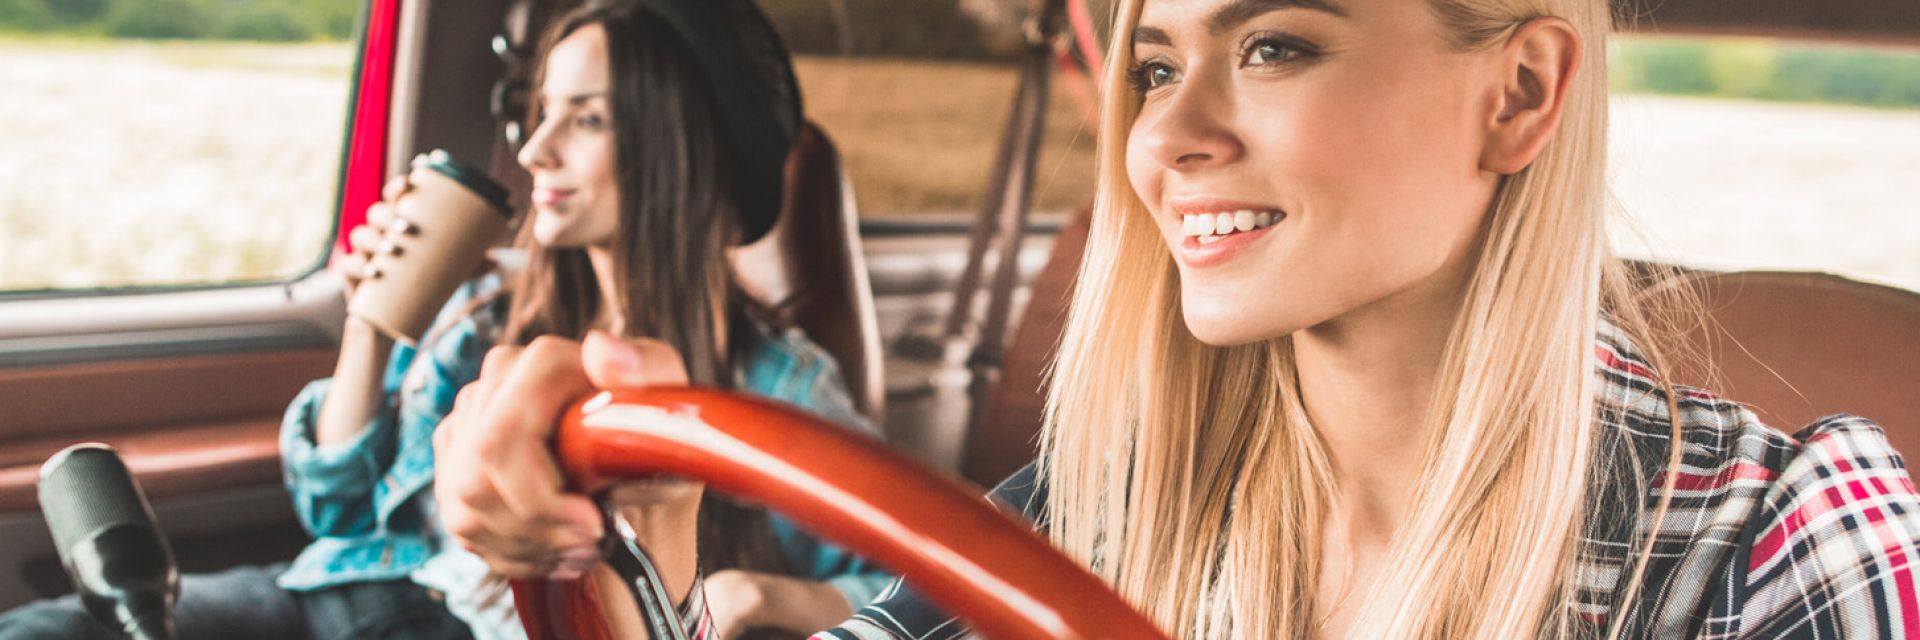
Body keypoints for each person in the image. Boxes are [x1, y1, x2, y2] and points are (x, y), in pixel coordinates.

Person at [433, 0, 1920, 637]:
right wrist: (630, 535)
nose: (1167, 137)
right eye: (1155, 65)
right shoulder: (1101, 508)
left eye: (1273, 45)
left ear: (1519, 91)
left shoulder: (1785, 541)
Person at [0, 2, 891, 639]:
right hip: (353, 594)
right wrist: (370, 320)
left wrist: (760, 597)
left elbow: (907, 582)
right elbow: (336, 507)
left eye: (586, 120)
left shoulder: (779, 381)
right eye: (541, 113)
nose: (535, 149)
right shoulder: (487, 316)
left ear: (676, 151)